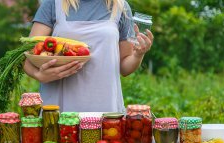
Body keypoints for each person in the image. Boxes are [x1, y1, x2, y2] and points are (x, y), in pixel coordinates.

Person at [23, 0, 154, 112]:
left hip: (104, 106)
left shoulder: (120, 7)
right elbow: (26, 57)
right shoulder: (53, 4)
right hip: (58, 107)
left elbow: (124, 67)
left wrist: (138, 54)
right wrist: (38, 75)